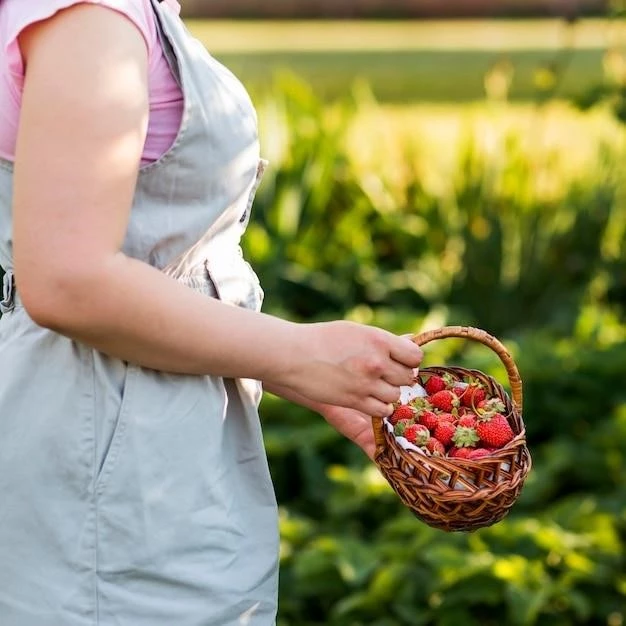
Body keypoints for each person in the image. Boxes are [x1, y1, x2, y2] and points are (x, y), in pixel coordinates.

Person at [0, 0, 423, 623]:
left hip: (126, 452)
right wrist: (299, 354)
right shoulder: (90, 15)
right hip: (114, 487)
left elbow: (142, 257)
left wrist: (302, 369)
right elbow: (67, 278)